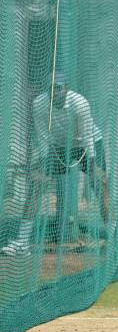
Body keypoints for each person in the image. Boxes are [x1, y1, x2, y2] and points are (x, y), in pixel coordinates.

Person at [1, 72, 97, 255]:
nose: (56, 92)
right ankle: (22, 243)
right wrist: (44, 164)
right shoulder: (39, 104)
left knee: (99, 182)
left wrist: (91, 162)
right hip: (58, 145)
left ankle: (115, 240)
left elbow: (87, 136)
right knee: (37, 184)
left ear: (66, 88)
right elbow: (43, 137)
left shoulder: (80, 103)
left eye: (59, 88)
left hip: (85, 142)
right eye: (52, 88)